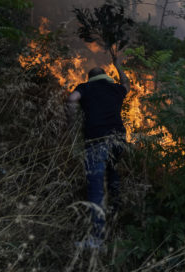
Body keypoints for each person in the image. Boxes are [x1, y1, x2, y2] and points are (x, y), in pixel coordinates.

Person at [66, 48, 130, 248]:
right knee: (112, 176)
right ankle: (116, 215)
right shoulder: (115, 89)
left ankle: (97, 238)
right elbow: (127, 84)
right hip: (119, 140)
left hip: (97, 141)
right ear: (105, 77)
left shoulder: (85, 88)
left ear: (90, 79)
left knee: (95, 188)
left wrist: (71, 120)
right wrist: (118, 65)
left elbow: (72, 99)